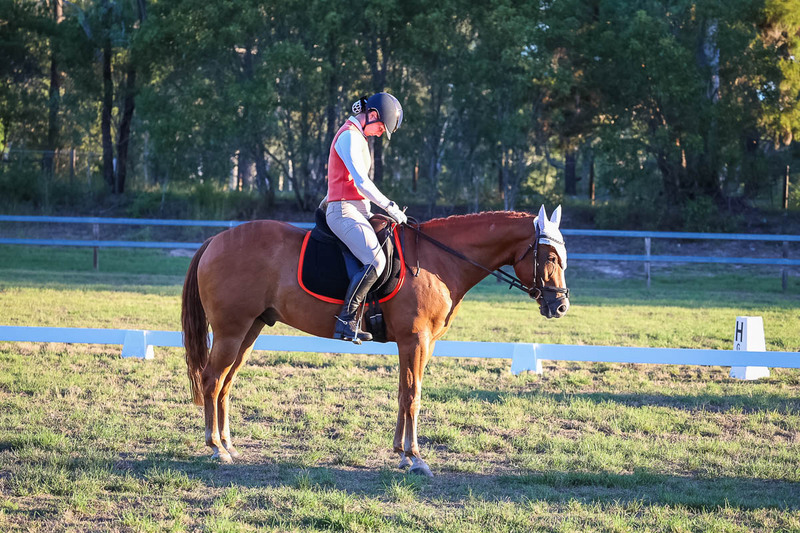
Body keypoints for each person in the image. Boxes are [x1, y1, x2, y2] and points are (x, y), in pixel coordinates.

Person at [323, 92, 408, 343]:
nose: (381, 133)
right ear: (371, 115)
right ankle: (346, 320)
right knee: (376, 262)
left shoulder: (359, 137)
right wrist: (390, 206)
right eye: (381, 127)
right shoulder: (349, 136)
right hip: (342, 210)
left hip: (359, 209)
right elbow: (361, 183)